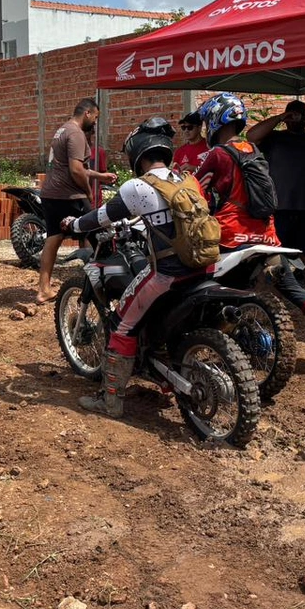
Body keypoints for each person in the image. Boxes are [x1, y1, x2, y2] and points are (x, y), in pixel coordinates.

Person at [195, 92, 305, 364]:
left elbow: (193, 194)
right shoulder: (254, 151)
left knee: (198, 282)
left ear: (214, 121)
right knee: (292, 286)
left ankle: (204, 347)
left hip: (231, 237)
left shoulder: (218, 155)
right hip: (267, 235)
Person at [62, 117, 205, 418]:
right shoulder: (186, 179)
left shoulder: (138, 187)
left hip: (169, 273)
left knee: (121, 324)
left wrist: (74, 224)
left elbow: (101, 217)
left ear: (137, 154)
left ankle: (109, 401)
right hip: (204, 266)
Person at [37, 99, 116, 304]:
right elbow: (75, 170)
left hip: (50, 194)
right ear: (87, 113)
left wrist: (100, 176)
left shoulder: (62, 130)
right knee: (99, 235)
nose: (95, 122)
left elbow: (72, 166)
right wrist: (88, 192)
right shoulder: (76, 134)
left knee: (53, 238)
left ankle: (44, 289)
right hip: (69, 196)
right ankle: (104, 286)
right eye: (96, 117)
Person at [247, 99, 305, 279]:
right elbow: (251, 136)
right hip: (279, 206)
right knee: (276, 252)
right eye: (291, 115)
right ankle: (278, 290)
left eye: (298, 115)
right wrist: (280, 117)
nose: (295, 118)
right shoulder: (275, 138)